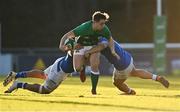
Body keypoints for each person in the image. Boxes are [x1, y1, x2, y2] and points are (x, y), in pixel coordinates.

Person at [59, 11, 119, 94]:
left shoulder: (104, 29)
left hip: (94, 46)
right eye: (101, 23)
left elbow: (110, 40)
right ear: (94, 22)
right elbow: (68, 35)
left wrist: (112, 51)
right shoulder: (84, 27)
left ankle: (94, 90)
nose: (103, 25)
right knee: (77, 68)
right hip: (81, 45)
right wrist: (61, 45)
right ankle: (82, 68)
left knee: (94, 65)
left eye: (104, 23)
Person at [84, 37, 170, 95]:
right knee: (134, 72)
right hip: (127, 57)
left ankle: (130, 92)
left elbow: (102, 46)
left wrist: (88, 52)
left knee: (116, 83)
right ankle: (157, 77)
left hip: (122, 66)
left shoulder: (100, 41)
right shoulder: (106, 35)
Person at [3, 53, 74, 94]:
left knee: (43, 74)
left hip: (62, 60)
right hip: (60, 70)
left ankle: (16, 75)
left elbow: (64, 44)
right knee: (45, 90)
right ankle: (18, 84)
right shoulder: (82, 49)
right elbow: (79, 68)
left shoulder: (79, 41)